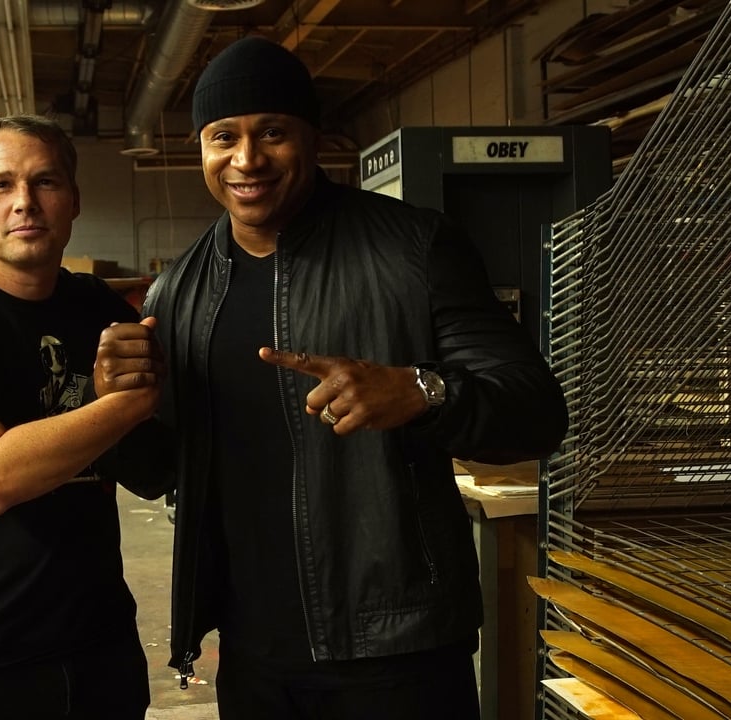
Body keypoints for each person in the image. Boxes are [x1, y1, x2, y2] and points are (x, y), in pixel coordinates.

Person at [136, 36, 568, 719]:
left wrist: (423, 393)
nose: (246, 159)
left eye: (271, 132)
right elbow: (161, 467)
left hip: (396, 650)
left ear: (312, 138)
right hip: (252, 651)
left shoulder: (415, 249)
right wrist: (115, 406)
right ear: (202, 149)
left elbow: (537, 413)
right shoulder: (177, 291)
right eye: (224, 137)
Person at [0, 114, 167, 720]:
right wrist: (121, 404)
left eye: (45, 181)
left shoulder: (97, 309)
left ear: (74, 201)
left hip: (98, 642)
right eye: (2, 185)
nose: (25, 201)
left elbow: (152, 471)